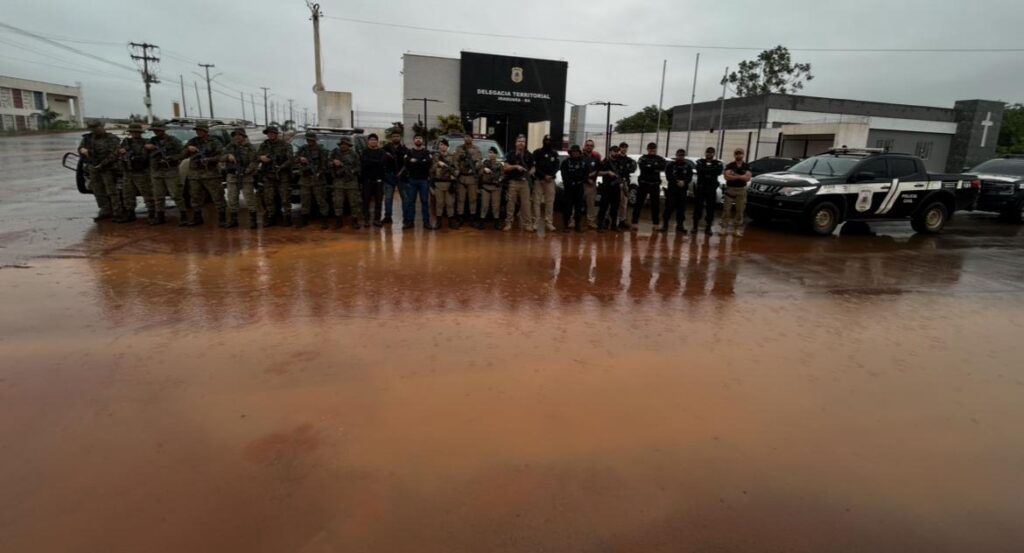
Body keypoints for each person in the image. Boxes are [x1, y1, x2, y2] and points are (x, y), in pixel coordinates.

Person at [77, 121, 122, 222]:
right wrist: (82, 150)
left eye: (97, 128)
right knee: (97, 190)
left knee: (112, 191)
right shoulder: (87, 138)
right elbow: (80, 148)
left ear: (102, 127)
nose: (95, 130)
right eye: (93, 129)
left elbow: (114, 154)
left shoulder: (111, 138)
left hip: (108, 168)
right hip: (93, 167)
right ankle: (104, 210)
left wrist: (102, 164)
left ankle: (117, 212)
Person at [184, 122, 226, 227]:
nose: (198, 132)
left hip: (210, 173)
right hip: (195, 173)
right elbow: (181, 153)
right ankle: (197, 217)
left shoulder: (215, 142)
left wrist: (209, 159)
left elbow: (221, 156)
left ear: (206, 131)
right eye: (197, 130)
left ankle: (222, 218)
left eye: (200, 130)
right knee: (195, 196)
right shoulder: (193, 141)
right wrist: (188, 149)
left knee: (217, 196)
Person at [145, 120, 185, 226]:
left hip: (170, 170)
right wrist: (147, 148)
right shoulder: (151, 141)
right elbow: (143, 154)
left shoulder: (173, 141)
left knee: (176, 194)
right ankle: (160, 216)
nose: (156, 132)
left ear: (163, 130)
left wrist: (171, 158)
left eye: (158, 130)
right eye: (154, 130)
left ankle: (183, 215)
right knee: (158, 195)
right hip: (156, 170)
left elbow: (182, 154)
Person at [255, 125, 294, 227]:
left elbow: (290, 159)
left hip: (282, 175)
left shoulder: (285, 145)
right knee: (269, 198)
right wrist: (261, 158)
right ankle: (272, 217)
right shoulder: (264, 145)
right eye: (268, 133)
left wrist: (281, 167)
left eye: (272, 133)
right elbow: (256, 156)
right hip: (268, 175)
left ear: (276, 134)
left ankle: (287, 217)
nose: (270, 135)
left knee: (285, 198)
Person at [221, 127, 258, 229]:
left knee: (249, 198)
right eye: (235, 135)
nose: (237, 137)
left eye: (239, 135)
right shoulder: (229, 146)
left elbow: (254, 161)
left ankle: (253, 220)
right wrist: (227, 156)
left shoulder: (250, 147)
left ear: (243, 136)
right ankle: (233, 220)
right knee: (232, 198)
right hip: (232, 176)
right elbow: (220, 157)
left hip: (246, 176)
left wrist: (246, 171)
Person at [117, 122, 152, 223]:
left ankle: (152, 212)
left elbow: (146, 157)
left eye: (136, 132)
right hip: (128, 171)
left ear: (140, 133)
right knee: (128, 193)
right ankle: (130, 212)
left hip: (141, 172)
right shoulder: (126, 142)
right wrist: (121, 151)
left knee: (146, 193)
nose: (134, 134)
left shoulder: (145, 142)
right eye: (133, 132)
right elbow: (118, 152)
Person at [295, 131, 331, 228]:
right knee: (305, 200)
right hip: (305, 179)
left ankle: (324, 220)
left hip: (318, 179)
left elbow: (325, 165)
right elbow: (294, 159)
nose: (309, 141)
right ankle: (304, 219)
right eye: (308, 140)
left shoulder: (321, 150)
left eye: (311, 140)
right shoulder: (303, 149)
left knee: (321, 200)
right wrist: (300, 159)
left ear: (315, 140)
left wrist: (319, 173)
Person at [502, 134, 535, 232]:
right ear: (516, 143)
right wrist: (516, 166)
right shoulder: (510, 154)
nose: (521, 143)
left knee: (526, 204)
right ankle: (508, 223)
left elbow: (533, 167)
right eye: (519, 141)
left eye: (523, 141)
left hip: (525, 183)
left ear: (525, 144)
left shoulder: (529, 155)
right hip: (513, 182)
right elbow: (505, 167)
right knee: (510, 204)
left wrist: (529, 173)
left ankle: (528, 224)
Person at [329, 136, 362, 229]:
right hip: (338, 182)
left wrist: (351, 171)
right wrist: (333, 162)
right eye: (342, 144)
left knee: (354, 202)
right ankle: (338, 221)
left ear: (349, 145)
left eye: (345, 144)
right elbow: (327, 163)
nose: (343, 146)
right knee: (338, 202)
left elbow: (359, 167)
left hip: (351, 182)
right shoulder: (335, 153)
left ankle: (355, 221)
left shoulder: (354, 154)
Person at [633, 142, 667, 228]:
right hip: (644, 184)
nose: (652, 150)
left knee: (655, 205)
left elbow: (663, 166)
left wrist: (650, 167)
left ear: (656, 149)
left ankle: (656, 224)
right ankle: (634, 222)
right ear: (647, 149)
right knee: (638, 204)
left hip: (654, 185)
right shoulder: (643, 158)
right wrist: (655, 167)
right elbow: (643, 168)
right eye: (650, 148)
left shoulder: (660, 159)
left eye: (653, 148)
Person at [660, 149, 694, 233]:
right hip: (672, 190)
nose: (680, 157)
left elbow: (689, 177)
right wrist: (676, 182)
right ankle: (665, 225)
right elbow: (668, 176)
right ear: (676, 155)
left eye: (682, 155)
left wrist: (684, 182)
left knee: (681, 209)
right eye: (679, 155)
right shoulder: (670, 165)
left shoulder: (688, 166)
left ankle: (680, 225)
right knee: (669, 208)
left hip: (682, 190)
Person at [532, 134, 560, 232]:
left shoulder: (554, 153)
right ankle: (536, 222)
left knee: (550, 202)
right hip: (539, 180)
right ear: (543, 141)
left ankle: (549, 223)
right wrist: (543, 176)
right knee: (536, 201)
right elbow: (535, 166)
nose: (548, 141)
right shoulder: (537, 152)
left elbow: (557, 166)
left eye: (549, 140)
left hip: (550, 181)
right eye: (546, 140)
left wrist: (551, 176)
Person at [402, 135, 431, 229]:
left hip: (424, 180)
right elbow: (406, 164)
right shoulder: (409, 152)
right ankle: (410, 222)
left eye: (420, 138)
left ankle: (426, 222)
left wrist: (415, 162)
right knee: (411, 202)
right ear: (414, 140)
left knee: (425, 201)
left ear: (422, 140)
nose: (418, 140)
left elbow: (428, 164)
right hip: (412, 180)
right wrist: (421, 161)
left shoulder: (427, 152)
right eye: (416, 138)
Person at [692, 146, 724, 236]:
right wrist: (710, 171)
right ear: (705, 153)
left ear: (714, 154)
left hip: (711, 189)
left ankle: (708, 227)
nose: (709, 154)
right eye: (708, 152)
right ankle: (695, 227)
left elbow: (718, 171)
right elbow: (699, 170)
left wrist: (706, 170)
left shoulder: (718, 163)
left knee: (710, 209)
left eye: (711, 152)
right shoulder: (699, 162)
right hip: (701, 188)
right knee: (698, 208)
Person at [559, 144, 591, 233]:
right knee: (567, 207)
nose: (575, 153)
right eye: (573, 152)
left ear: (579, 153)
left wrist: (580, 181)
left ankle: (577, 225)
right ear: (571, 153)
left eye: (577, 152)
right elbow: (563, 174)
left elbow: (586, 174)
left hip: (579, 187)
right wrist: (570, 182)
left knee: (579, 208)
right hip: (569, 188)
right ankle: (566, 225)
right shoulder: (566, 162)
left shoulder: (583, 162)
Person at [722, 147, 752, 237]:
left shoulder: (747, 166)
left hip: (741, 190)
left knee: (740, 210)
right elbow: (726, 176)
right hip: (730, 189)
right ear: (734, 155)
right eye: (737, 153)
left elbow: (747, 178)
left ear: (743, 155)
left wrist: (734, 175)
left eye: (740, 153)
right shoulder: (730, 165)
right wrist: (741, 176)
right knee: (726, 210)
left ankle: (737, 229)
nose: (738, 155)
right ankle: (724, 228)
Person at [453, 134, 482, 228]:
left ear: (472, 138)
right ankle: (460, 219)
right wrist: (457, 169)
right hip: (461, 177)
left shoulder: (476, 149)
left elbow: (479, 161)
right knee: (460, 199)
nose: (467, 138)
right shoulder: (459, 148)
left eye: (469, 137)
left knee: (473, 199)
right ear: (464, 138)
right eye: (466, 137)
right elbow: (455, 161)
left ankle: (472, 219)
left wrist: (475, 167)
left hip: (472, 178)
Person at [429, 139, 458, 230]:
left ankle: (451, 222)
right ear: (439, 146)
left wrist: (454, 175)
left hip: (449, 184)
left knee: (450, 204)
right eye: (441, 145)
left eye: (445, 145)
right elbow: (430, 170)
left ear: (447, 146)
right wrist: (437, 164)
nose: (443, 146)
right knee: (439, 204)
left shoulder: (452, 157)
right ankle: (439, 222)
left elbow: (457, 169)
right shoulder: (435, 157)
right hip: (438, 183)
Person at [596, 145, 625, 232]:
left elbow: (623, 174)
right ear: (610, 151)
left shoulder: (619, 162)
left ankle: (614, 225)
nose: (616, 152)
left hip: (616, 188)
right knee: (603, 207)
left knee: (615, 207)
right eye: (614, 151)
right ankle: (600, 225)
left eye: (617, 151)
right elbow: (597, 173)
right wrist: (607, 172)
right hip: (607, 187)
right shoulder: (605, 161)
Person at [381, 131, 408, 225]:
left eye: (397, 136)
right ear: (391, 138)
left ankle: (406, 217)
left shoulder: (405, 149)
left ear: (400, 137)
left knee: (405, 198)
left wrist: (401, 172)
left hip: (401, 177)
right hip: (389, 176)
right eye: (394, 136)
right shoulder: (385, 148)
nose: (396, 137)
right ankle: (388, 217)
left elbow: (407, 163)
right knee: (388, 198)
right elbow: (381, 161)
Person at [361, 133, 387, 227]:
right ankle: (367, 220)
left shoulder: (382, 152)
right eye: (371, 140)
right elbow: (364, 163)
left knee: (378, 201)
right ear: (368, 142)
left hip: (379, 180)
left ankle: (377, 219)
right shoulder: (364, 152)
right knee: (366, 201)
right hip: (367, 180)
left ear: (377, 141)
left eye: (375, 140)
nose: (373, 141)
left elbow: (382, 163)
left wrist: (371, 161)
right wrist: (375, 161)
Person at [476, 147, 504, 230]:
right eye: (489, 153)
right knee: (484, 205)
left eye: (492, 153)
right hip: (486, 187)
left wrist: (499, 180)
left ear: (496, 154)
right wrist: (483, 169)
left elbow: (503, 175)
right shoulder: (484, 163)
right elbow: (478, 172)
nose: (490, 154)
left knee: (495, 206)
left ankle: (496, 222)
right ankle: (482, 222)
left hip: (495, 187)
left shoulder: (499, 165)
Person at [581, 138, 602, 230]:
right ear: (584, 146)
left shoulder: (596, 158)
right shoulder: (580, 157)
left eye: (591, 145)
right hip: (581, 184)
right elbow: (578, 172)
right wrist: (587, 178)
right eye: (587, 145)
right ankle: (573, 221)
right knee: (577, 204)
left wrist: (594, 177)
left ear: (593, 147)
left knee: (591, 205)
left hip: (591, 185)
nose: (589, 147)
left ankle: (591, 222)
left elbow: (599, 170)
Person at [617, 142, 638, 230]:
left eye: (625, 147)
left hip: (625, 183)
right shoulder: (615, 159)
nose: (624, 149)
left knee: (624, 204)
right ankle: (610, 220)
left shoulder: (629, 160)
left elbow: (632, 169)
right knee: (613, 203)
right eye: (622, 147)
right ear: (619, 148)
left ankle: (622, 221)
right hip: (616, 183)